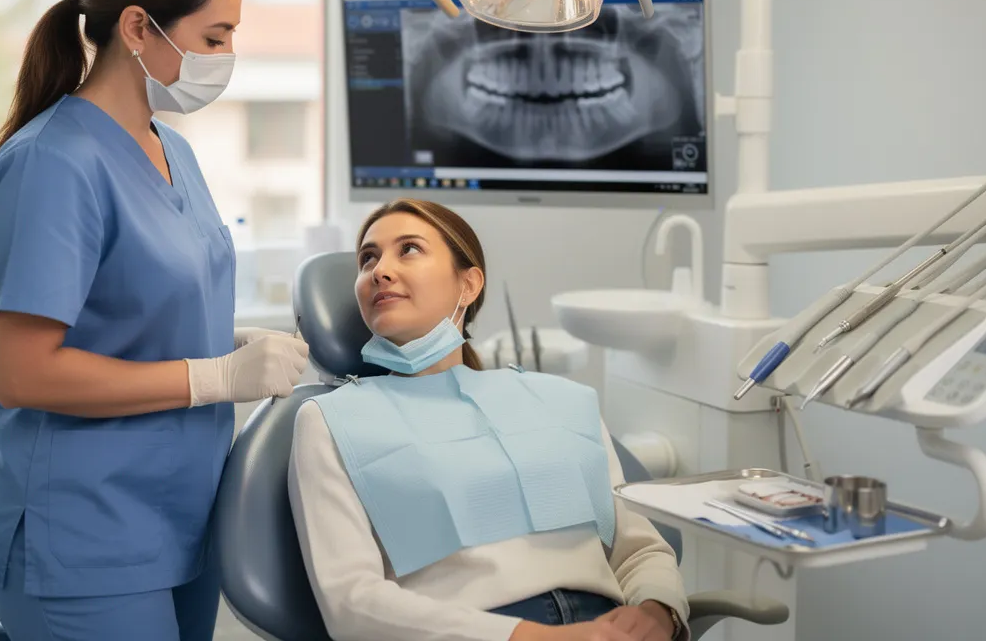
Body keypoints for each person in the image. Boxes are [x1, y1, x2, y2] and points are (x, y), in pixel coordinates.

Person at [0, 0, 310, 641]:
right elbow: (23, 373)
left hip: (180, 521)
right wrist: (215, 378)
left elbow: (141, 306)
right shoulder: (52, 165)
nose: (228, 56)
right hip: (83, 537)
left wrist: (223, 342)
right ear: (137, 28)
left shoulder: (171, 150)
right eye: (215, 37)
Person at [287, 198, 690, 641]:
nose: (380, 270)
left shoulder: (560, 400)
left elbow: (637, 550)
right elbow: (352, 602)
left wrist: (657, 610)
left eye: (409, 249)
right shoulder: (332, 421)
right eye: (368, 258)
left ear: (469, 284)